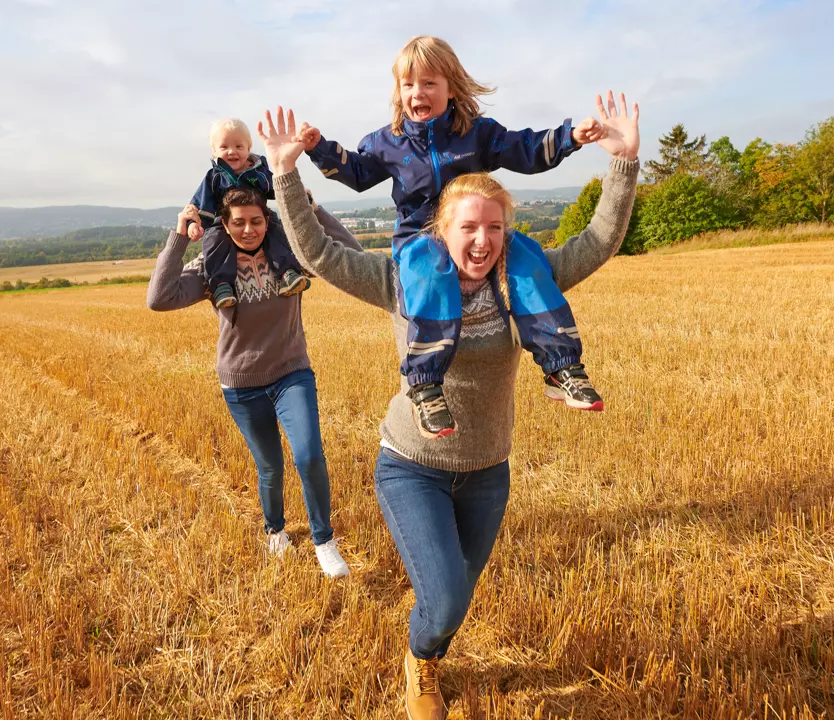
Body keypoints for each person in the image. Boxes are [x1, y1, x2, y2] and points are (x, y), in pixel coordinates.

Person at [258, 94, 640, 719]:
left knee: (455, 599)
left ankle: (430, 650)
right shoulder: (402, 280)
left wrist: (621, 164)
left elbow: (598, 242)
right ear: (442, 230)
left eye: (495, 227)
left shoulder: (525, 282)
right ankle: (421, 663)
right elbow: (320, 256)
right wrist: (285, 173)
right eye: (468, 227)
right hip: (412, 465)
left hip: (488, 470)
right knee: (445, 599)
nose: (483, 240)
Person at [297, 36, 607, 440]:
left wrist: (570, 137)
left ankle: (561, 366)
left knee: (527, 257)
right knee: (429, 274)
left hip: (475, 232)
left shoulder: (476, 134)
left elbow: (526, 151)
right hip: (420, 238)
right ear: (398, 92)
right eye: (408, 85)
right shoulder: (386, 142)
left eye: (428, 83)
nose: (417, 93)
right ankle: (425, 385)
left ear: (451, 88)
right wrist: (319, 148)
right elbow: (356, 174)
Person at [146, 185, 355, 577]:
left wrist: (314, 209)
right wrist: (178, 237)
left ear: (268, 220)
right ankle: (275, 530)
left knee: (309, 456)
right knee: (270, 467)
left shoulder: (288, 258)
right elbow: (159, 298)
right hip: (241, 383)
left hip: (292, 372)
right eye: (238, 223)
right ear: (224, 225)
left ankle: (323, 540)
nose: (248, 230)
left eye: (256, 221)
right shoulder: (213, 268)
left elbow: (349, 254)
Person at [189, 118, 310, 309]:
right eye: (224, 147)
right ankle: (222, 285)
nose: (232, 151)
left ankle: (288, 273)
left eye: (239, 146)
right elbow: (200, 203)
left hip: (260, 217)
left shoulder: (258, 172)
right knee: (214, 241)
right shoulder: (214, 177)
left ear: (248, 148)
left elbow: (280, 189)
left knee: (277, 231)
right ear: (214, 151)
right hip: (223, 222)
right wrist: (195, 224)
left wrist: (302, 197)